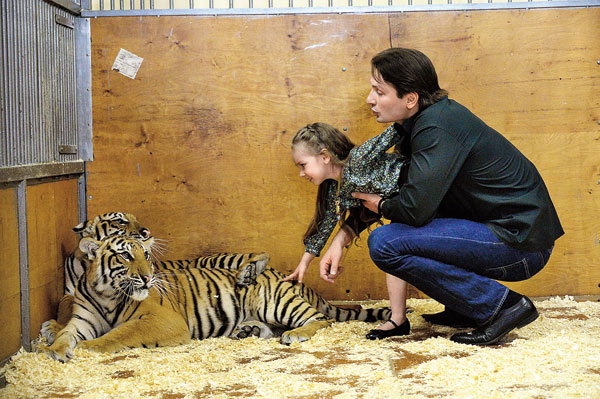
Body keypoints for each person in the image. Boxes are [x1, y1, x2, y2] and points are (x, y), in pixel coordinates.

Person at [316, 48, 564, 346]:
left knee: (385, 244)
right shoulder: (421, 123)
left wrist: (381, 205)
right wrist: (341, 239)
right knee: (405, 232)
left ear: (410, 99)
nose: (370, 99)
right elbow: (394, 192)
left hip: (521, 244)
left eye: (379, 91)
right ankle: (465, 307)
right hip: (506, 235)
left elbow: (413, 209)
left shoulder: (436, 126)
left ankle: (502, 306)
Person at [283, 122, 412, 339]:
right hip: (402, 213)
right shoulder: (335, 187)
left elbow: (394, 131)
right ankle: (398, 320)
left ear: (325, 156)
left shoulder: (358, 159)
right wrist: (304, 263)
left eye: (303, 165)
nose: (301, 174)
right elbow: (325, 224)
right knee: (392, 246)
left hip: (419, 194)